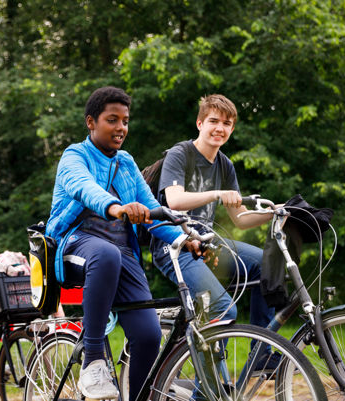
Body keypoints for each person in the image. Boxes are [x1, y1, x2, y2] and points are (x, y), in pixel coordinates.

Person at [45, 86, 199, 400]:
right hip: (76, 242)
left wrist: (185, 238)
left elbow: (152, 213)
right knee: (106, 253)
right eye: (112, 120)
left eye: (125, 121)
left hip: (120, 250)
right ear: (91, 122)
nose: (121, 128)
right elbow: (84, 187)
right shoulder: (75, 155)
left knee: (147, 335)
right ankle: (93, 361)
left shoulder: (126, 161)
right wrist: (117, 207)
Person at [151, 94, 277, 364]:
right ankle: (206, 393)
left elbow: (240, 219)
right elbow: (174, 200)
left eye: (227, 123)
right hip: (174, 246)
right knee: (223, 308)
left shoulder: (225, 164)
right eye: (214, 121)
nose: (220, 128)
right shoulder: (180, 153)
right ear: (199, 123)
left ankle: (261, 355)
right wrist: (217, 193)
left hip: (208, 246)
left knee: (268, 264)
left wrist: (272, 214)